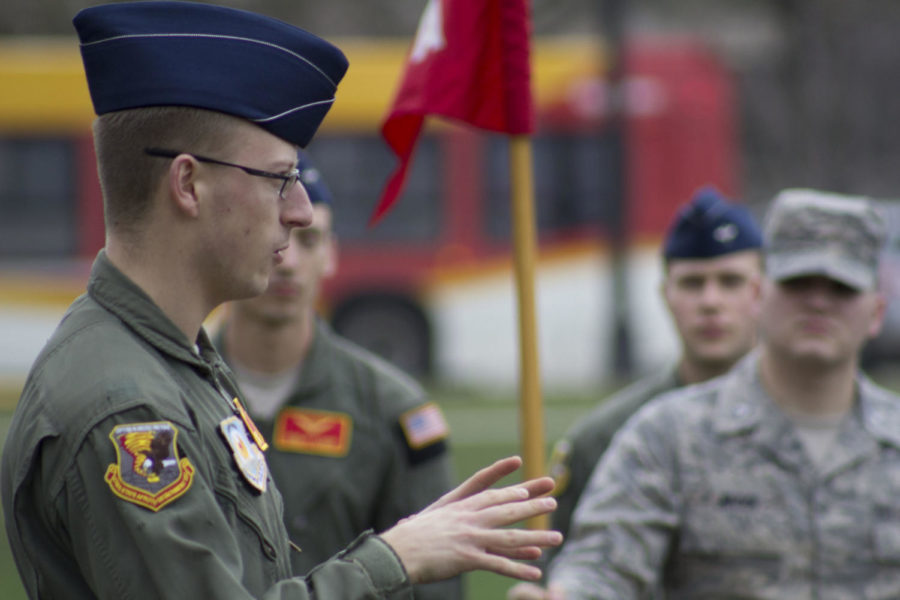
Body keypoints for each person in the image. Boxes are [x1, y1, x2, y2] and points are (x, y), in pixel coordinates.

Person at [0, 3, 561, 599]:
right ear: (188, 184)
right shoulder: (127, 409)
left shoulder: (174, 363)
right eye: (277, 178)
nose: (297, 212)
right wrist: (395, 557)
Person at [545, 188, 897, 598]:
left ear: (876, 312)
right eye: (798, 283)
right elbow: (602, 569)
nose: (818, 302)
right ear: (758, 296)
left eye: (842, 288)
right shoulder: (668, 436)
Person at [213, 150, 461, 599]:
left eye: (309, 242)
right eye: (274, 238)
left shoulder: (391, 409)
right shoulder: (177, 387)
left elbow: (436, 581)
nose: (288, 261)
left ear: (331, 256)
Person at [509, 186, 763, 600]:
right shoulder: (607, 436)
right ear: (666, 295)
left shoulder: (806, 416)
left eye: (730, 281)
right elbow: (561, 564)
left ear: (761, 293)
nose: (711, 302)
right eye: (693, 283)